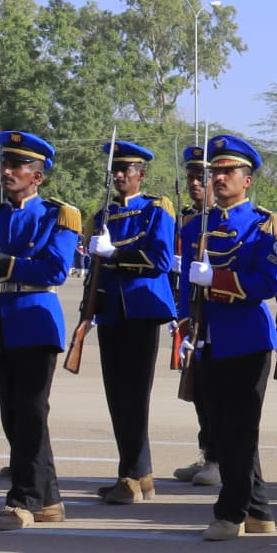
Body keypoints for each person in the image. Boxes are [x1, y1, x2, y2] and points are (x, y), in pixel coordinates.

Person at [180, 135, 277, 541]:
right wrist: (185, 326)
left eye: (227, 172)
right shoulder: (196, 226)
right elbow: (185, 286)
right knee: (222, 429)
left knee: (238, 431)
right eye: (215, 172)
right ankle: (259, 510)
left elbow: (268, 282)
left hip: (246, 339)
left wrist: (219, 281)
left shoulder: (266, 225)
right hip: (208, 338)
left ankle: (231, 513)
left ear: (247, 180)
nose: (219, 178)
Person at [0, 130, 81, 530]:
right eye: (6, 164)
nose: (7, 171)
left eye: (17, 166)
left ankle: (21, 499)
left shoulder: (57, 215)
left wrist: (3, 263)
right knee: (11, 414)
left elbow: (55, 268)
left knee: (30, 414)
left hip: (36, 317)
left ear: (37, 176)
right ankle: (48, 499)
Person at [79, 139, 178, 505]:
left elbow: (160, 259)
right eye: (116, 170)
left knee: (134, 396)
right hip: (110, 312)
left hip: (141, 309)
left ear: (142, 174)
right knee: (117, 396)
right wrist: (87, 313)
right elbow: (95, 271)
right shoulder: (102, 216)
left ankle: (133, 476)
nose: (120, 175)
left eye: (127, 170)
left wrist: (115, 254)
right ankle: (136, 473)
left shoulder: (155, 209)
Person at [166, 144, 220, 489]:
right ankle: (209, 452)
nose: (195, 184)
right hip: (197, 321)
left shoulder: (231, 221)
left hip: (223, 319)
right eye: (190, 178)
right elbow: (185, 284)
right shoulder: (188, 224)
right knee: (200, 391)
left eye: (202, 178)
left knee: (221, 394)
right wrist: (184, 321)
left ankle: (221, 459)